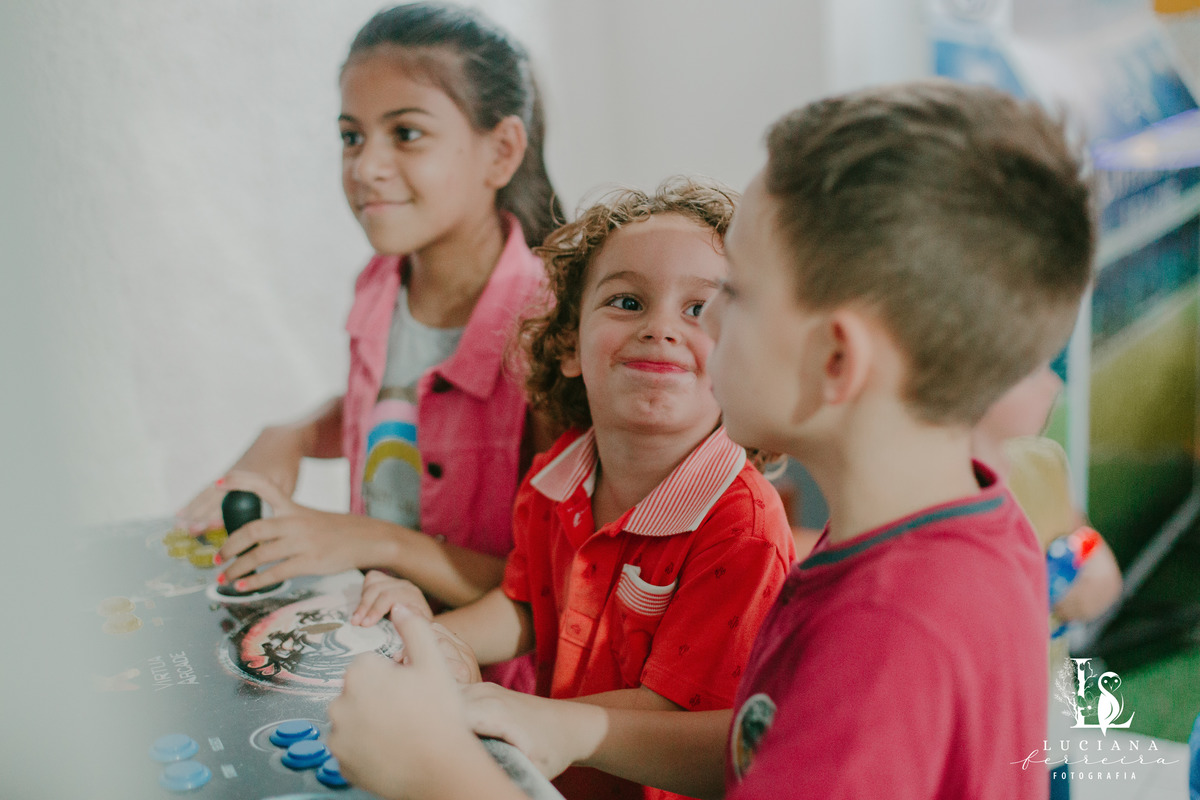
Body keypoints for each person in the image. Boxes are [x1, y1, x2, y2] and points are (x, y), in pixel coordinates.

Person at [327, 80, 1096, 800]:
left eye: (736, 293)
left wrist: (440, 775)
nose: (703, 323)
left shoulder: (885, 642)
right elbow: (760, 739)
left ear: (835, 360)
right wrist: (572, 727)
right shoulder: (949, 531)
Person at [342, 179, 796, 800]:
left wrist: (512, 709)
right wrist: (433, 637)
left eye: (698, 309)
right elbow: (527, 605)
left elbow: (691, 721)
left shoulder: (741, 525)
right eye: (628, 302)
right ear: (568, 348)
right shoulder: (556, 475)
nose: (660, 327)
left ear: (742, 353)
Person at [175, 2, 561, 691]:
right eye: (351, 137)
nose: (367, 166)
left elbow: (551, 587)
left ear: (502, 151)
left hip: (486, 690)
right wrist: (294, 434)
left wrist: (372, 541)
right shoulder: (382, 281)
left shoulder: (547, 329)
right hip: (376, 655)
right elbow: (392, 406)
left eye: (406, 134)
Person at [972, 362, 1123, 800]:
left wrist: (1099, 569)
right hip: (981, 742)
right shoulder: (931, 488)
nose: (1054, 382)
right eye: (1031, 365)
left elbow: (1082, 535)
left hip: (1047, 729)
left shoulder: (1046, 461)